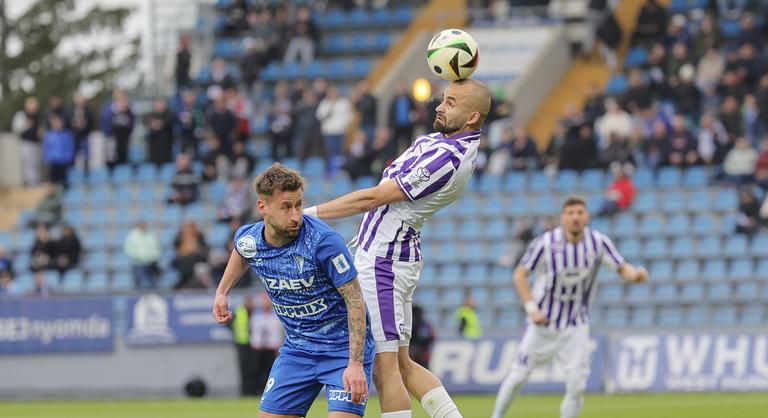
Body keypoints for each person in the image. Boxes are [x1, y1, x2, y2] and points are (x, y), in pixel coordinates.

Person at [303, 78, 493, 418]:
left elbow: (373, 198)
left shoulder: (448, 159)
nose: (439, 106)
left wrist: (308, 215)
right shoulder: (443, 141)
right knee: (403, 365)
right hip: (391, 257)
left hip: (384, 263)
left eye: (451, 103)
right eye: (443, 99)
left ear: (472, 117)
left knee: (384, 366)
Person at [212, 163, 373, 417]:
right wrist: (222, 292)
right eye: (286, 207)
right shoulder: (250, 238)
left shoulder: (323, 242)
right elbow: (241, 252)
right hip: (297, 351)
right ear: (262, 207)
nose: (296, 215)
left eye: (298, 205)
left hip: (341, 351)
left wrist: (355, 363)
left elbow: (355, 301)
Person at [491, 197, 648, 418]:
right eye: (570, 213)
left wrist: (636, 275)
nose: (575, 217)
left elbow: (622, 267)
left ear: (587, 217)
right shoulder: (545, 243)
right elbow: (519, 275)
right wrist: (532, 309)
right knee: (517, 377)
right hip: (543, 325)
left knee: (577, 386)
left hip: (576, 326)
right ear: (563, 217)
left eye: (580, 212)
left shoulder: (598, 242)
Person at [250, 292, 283, 395]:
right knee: (257, 369)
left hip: (271, 346)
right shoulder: (256, 314)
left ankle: (269, 390)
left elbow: (278, 330)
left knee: (270, 370)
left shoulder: (275, 314)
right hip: (258, 346)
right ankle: (256, 390)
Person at [231, 294, 258, 396]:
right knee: (244, 368)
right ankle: (245, 391)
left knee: (254, 367)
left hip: (255, 343)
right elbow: (229, 323)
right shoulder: (239, 311)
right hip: (242, 343)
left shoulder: (255, 312)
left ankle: (254, 390)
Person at [12, 97, 43, 186]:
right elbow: (17, 129)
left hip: (37, 143)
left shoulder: (37, 116)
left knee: (36, 163)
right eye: (32, 104)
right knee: (28, 164)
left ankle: (36, 182)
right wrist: (27, 126)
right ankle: (31, 183)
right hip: (26, 143)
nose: (34, 107)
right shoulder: (21, 115)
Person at [124, 221, 162, 289]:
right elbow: (128, 249)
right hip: (138, 263)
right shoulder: (133, 235)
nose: (145, 226)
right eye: (144, 225)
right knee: (139, 283)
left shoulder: (150, 234)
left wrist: (154, 257)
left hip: (150, 262)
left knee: (151, 282)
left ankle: (152, 294)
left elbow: (156, 247)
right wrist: (140, 257)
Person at [43, 114, 76, 186]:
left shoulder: (67, 135)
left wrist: (69, 159)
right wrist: (48, 158)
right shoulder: (49, 135)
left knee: (64, 181)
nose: (56, 125)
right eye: (54, 123)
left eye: (58, 123)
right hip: (53, 162)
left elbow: (70, 148)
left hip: (64, 162)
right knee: (52, 181)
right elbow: (46, 148)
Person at [409, 305, 435, 369]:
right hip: (414, 351)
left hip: (423, 352)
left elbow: (433, 337)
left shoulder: (425, 325)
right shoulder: (411, 325)